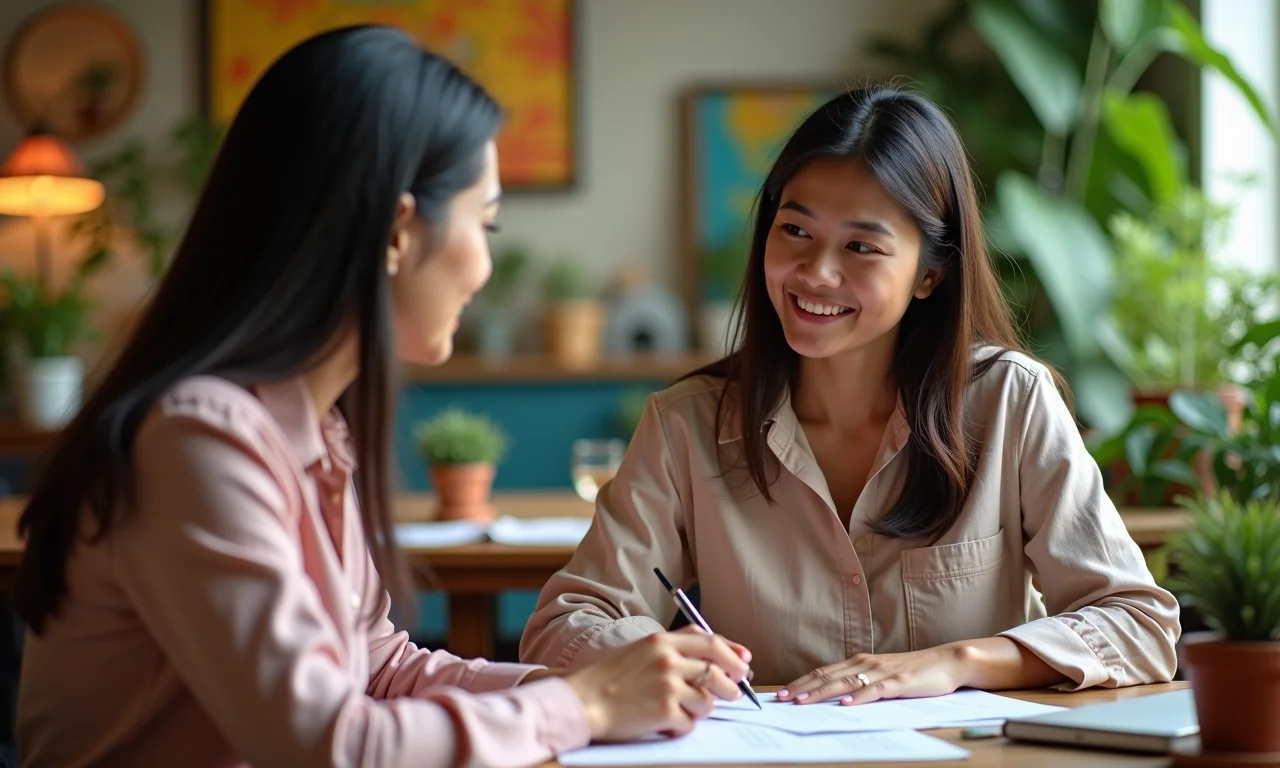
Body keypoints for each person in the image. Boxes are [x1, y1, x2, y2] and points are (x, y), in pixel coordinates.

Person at [11, 26, 751, 768]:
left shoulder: (311, 428)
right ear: (397, 230)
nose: (487, 265)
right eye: (484, 221)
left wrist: (596, 684)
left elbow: (381, 670)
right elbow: (329, 743)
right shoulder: (197, 438)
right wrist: (583, 704)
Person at [520, 85, 1181, 705]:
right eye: (795, 232)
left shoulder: (1009, 402)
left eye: (861, 246)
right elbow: (563, 626)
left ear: (928, 274)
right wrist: (661, 654)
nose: (816, 273)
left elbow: (1140, 624)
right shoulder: (687, 423)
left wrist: (955, 663)